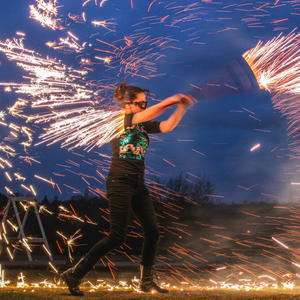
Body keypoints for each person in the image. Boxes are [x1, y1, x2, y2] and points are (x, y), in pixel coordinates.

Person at [61, 82, 196, 296]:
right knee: (117, 236)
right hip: (119, 182)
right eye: (141, 103)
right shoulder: (121, 120)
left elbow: (168, 126)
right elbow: (154, 111)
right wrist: (172, 100)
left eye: (145, 103)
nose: (145, 107)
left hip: (137, 184)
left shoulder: (141, 125)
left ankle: (146, 282)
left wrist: (181, 107)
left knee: (153, 232)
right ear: (128, 105)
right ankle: (75, 274)